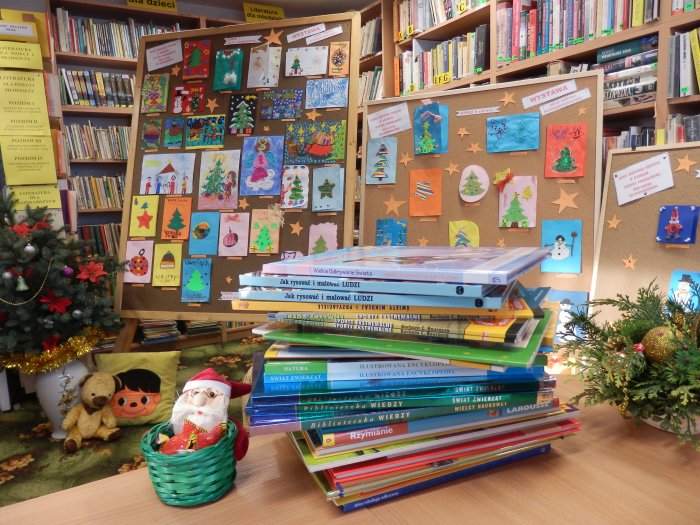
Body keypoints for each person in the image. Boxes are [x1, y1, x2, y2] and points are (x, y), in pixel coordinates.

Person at [160, 368, 250, 459]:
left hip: (211, 455)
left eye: (212, 394)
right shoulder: (182, 421)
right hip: (181, 451)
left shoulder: (222, 425)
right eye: (195, 393)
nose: (199, 402)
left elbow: (239, 441)